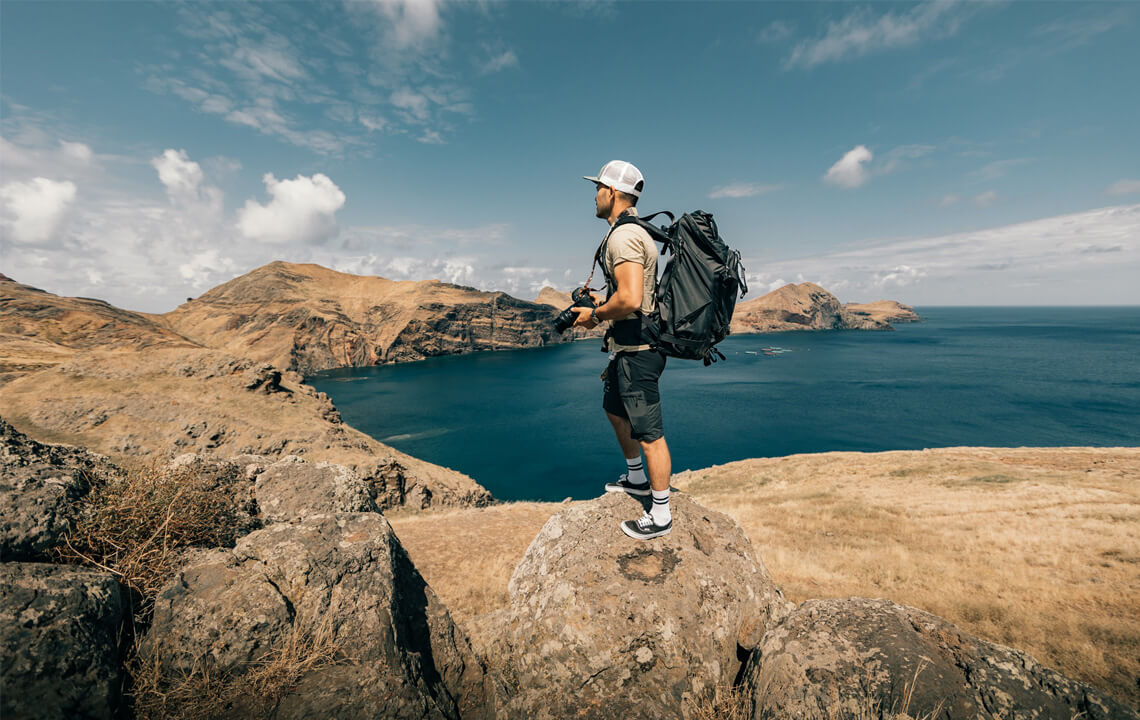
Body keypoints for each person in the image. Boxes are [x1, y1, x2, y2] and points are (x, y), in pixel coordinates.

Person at [572, 160, 673, 540]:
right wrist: (602, 300)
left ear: (612, 192)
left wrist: (595, 315)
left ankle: (661, 515)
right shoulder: (629, 233)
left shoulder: (624, 237)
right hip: (628, 347)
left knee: (649, 433)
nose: (595, 194)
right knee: (614, 409)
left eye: (598, 187)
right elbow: (631, 293)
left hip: (639, 350)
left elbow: (630, 299)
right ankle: (636, 479)